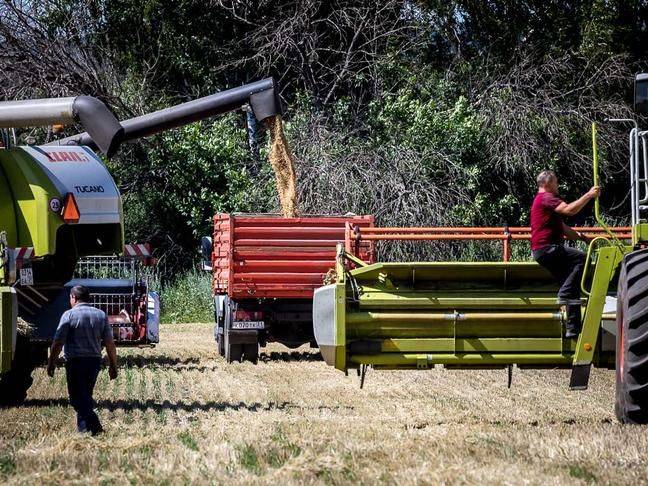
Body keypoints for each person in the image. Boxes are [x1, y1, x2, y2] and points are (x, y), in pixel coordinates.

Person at [530, 170, 601, 338]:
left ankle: (573, 328)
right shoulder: (546, 198)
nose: (558, 185)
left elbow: (564, 228)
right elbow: (569, 210)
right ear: (547, 183)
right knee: (581, 259)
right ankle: (564, 294)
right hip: (548, 248)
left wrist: (583, 238)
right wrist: (589, 195)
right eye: (555, 182)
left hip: (542, 251)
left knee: (572, 283)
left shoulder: (542, 202)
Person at [47, 285, 118, 435]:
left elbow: (58, 342)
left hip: (75, 362)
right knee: (85, 395)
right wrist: (113, 365)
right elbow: (109, 343)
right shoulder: (100, 315)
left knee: (76, 399)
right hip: (94, 362)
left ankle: (96, 427)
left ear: (73, 297)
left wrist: (51, 362)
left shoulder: (68, 315)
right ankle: (84, 431)